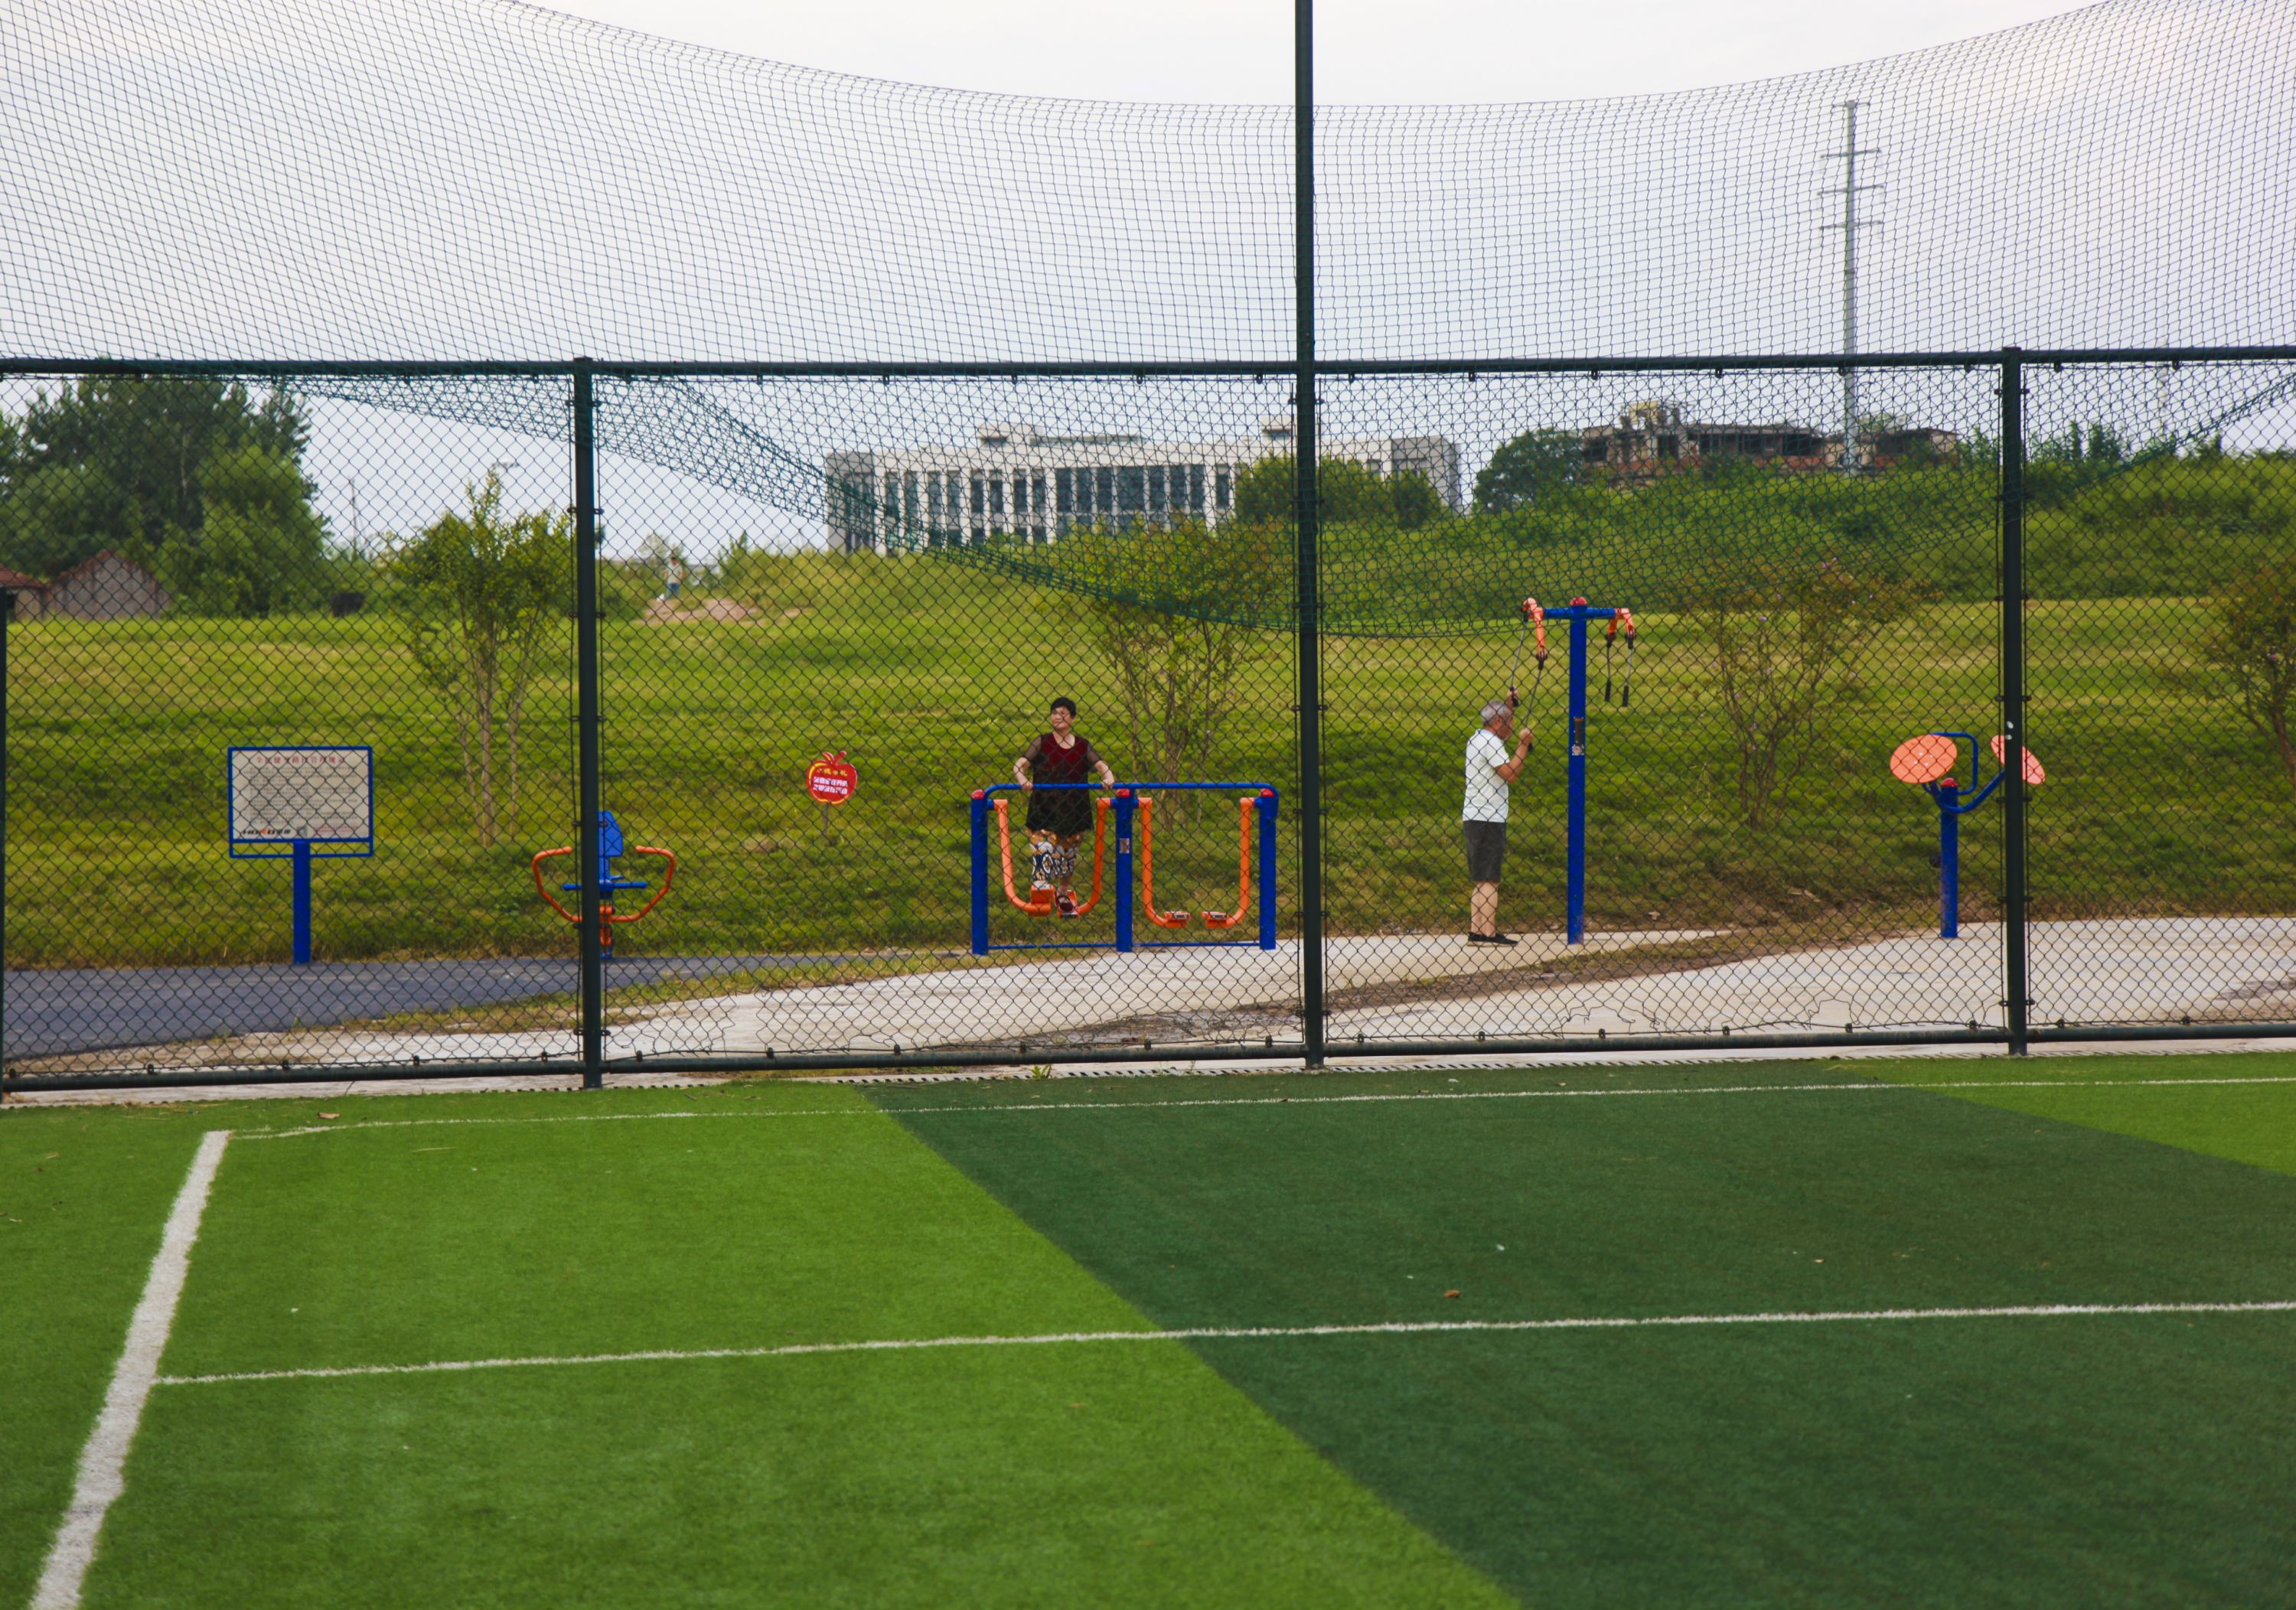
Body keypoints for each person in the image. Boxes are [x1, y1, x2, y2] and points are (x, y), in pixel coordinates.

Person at [1014, 696, 1117, 917]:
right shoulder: (1042, 742)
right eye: (1054, 713)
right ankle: (1041, 884)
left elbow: (1102, 766)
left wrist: (1108, 777)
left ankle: (1062, 892)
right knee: (1044, 847)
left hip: (1073, 810)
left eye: (1062, 713)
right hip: (1044, 809)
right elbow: (1020, 765)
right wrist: (1023, 779)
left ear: (1072, 718)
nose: (1057, 717)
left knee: (1067, 858)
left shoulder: (1082, 746)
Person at [1463, 695, 1535, 944]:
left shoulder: (1477, 738)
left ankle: (1476, 930)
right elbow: (1511, 774)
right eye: (1509, 721)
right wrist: (1523, 745)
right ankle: (1489, 933)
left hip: (1474, 816)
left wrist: (1509, 705)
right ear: (1497, 722)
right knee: (1491, 878)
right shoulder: (1491, 743)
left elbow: (1501, 731)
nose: (1513, 727)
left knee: (1481, 877)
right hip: (1489, 817)